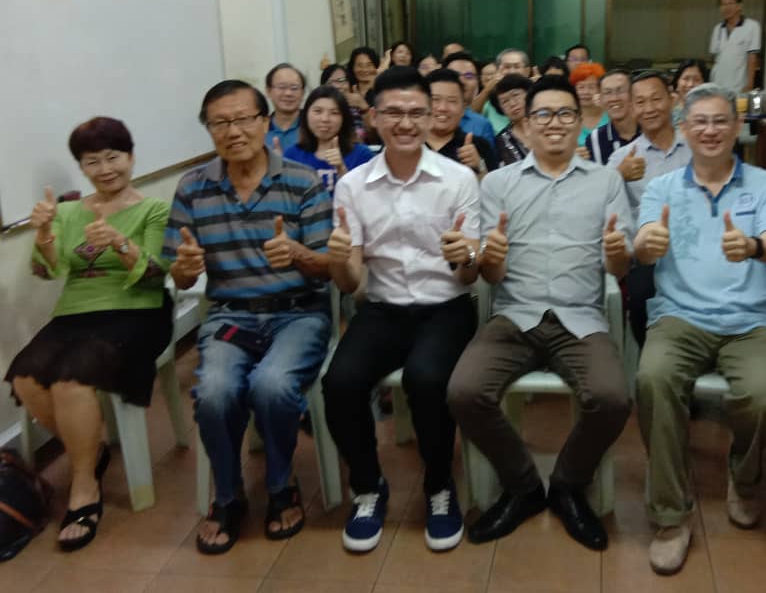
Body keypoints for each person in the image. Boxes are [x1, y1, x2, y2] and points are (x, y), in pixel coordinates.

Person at [448, 75, 633, 551]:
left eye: (565, 113)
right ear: (526, 125)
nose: (555, 123)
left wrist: (617, 254)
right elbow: (491, 273)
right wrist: (490, 258)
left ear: (579, 121)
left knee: (613, 397)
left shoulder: (606, 181)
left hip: (580, 318)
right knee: (464, 391)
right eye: (543, 114)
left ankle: (568, 484)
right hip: (515, 315)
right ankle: (524, 486)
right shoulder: (499, 183)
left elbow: (619, 265)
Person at [164, 80, 333, 555]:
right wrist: (184, 268)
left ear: (265, 122)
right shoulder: (193, 187)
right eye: (220, 122)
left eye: (243, 119)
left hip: (298, 313)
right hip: (230, 315)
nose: (233, 131)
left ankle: (281, 484)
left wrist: (297, 254)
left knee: (272, 385)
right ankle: (228, 494)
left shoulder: (302, 180)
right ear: (209, 130)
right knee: (213, 392)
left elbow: (330, 267)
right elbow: (179, 273)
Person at [634, 83, 766, 574]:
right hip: (679, 317)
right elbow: (642, 242)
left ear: (737, 127)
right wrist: (647, 245)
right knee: (653, 380)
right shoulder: (661, 188)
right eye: (699, 121)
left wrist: (752, 246)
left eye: (720, 120)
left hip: (750, 321)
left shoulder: (765, 183)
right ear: (684, 128)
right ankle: (670, 515)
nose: (710, 130)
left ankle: (744, 479)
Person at [323, 68, 480, 554]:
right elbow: (350, 282)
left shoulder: (458, 179)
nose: (405, 123)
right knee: (340, 382)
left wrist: (467, 256)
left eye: (416, 112)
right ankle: (368, 486)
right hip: (383, 308)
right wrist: (338, 260)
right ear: (373, 117)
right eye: (393, 112)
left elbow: (469, 275)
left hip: (446, 307)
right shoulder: (354, 186)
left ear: (432, 116)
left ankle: (439, 484)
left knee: (426, 379)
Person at [6, 117, 171, 551]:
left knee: (71, 380)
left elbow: (157, 274)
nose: (105, 169)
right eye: (92, 161)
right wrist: (44, 234)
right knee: (25, 377)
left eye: (113, 157)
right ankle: (91, 450)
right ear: (81, 167)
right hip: (76, 312)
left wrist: (119, 242)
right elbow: (48, 271)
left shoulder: (154, 209)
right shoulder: (66, 211)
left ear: (131, 157)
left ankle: (84, 485)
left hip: (138, 311)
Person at [607, 70, 692, 346]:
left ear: (672, 99)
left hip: (695, 249)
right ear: (632, 108)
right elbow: (599, 204)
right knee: (642, 297)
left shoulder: (696, 148)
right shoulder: (622, 158)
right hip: (648, 257)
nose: (649, 108)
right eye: (640, 102)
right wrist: (618, 176)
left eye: (656, 99)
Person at [283, 85, 374, 192]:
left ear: (344, 118)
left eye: (334, 113)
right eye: (318, 111)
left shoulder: (362, 155)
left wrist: (341, 169)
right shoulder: (292, 155)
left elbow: (366, 198)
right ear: (306, 114)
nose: (325, 119)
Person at [425, 69, 498, 177]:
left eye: (452, 101)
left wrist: (480, 169)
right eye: (435, 99)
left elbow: (494, 187)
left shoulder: (479, 146)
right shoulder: (409, 144)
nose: (442, 108)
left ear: (464, 108)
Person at [442, 51, 498, 154]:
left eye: (468, 76)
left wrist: (478, 162)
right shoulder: (427, 118)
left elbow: (491, 163)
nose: (462, 81)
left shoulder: (482, 125)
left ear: (477, 82)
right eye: (455, 75)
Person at [709, 0, 761, 93]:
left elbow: (752, 58)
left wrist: (750, 85)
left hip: (739, 85)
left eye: (730, 4)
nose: (726, 8)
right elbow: (714, 58)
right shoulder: (718, 28)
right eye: (723, 4)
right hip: (717, 83)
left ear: (739, 6)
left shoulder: (752, 26)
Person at [585, 68, 639, 165]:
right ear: (600, 99)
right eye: (607, 92)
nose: (614, 98)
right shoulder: (595, 139)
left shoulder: (650, 131)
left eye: (620, 91)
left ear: (633, 94)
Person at [492, 74, 534, 165]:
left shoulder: (546, 124)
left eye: (516, 95)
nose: (512, 104)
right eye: (505, 101)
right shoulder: (502, 140)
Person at [265, 63, 306, 151]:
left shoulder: (314, 126)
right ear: (268, 91)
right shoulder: (260, 129)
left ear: (303, 93)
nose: (288, 93)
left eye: (294, 88)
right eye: (282, 87)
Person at [344, 47, 380, 143]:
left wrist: (363, 106)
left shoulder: (382, 92)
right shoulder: (347, 91)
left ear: (376, 67)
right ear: (352, 68)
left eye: (369, 65)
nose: (364, 69)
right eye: (359, 65)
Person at [570, 62, 609, 150]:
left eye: (591, 87)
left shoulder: (611, 115)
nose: (586, 92)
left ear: (600, 89)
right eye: (581, 87)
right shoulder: (568, 118)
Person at [671, 59, 709, 125]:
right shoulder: (667, 112)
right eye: (686, 78)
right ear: (677, 82)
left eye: (697, 80)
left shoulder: (711, 111)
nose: (690, 84)